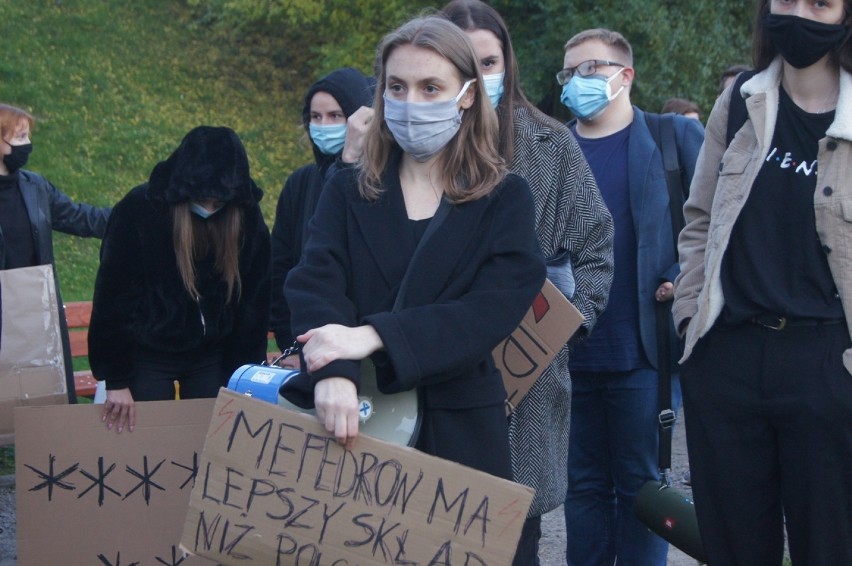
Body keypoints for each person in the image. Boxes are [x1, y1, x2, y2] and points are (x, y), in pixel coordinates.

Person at [284, 15, 545, 484]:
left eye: (430, 88)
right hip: (354, 419)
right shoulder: (347, 190)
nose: (410, 103)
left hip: (460, 430)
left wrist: (373, 336)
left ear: (466, 95)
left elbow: (489, 312)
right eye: (398, 88)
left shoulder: (505, 199)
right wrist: (334, 372)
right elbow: (316, 280)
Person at [673, 0, 852, 563]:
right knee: (733, 549)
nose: (798, 13)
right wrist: (688, 317)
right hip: (727, 358)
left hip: (826, 363)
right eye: (786, 0)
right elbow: (699, 216)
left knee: (829, 547)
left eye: (819, 3)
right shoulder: (742, 99)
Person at [440, 2, 615, 563]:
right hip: (428, 376)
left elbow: (595, 245)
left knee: (515, 543)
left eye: (487, 61)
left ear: (506, 64)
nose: (477, 75)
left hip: (521, 385)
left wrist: (563, 324)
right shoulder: (409, 147)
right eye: (464, 60)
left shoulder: (552, 146)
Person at [558, 29, 705, 566]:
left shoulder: (671, 138)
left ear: (626, 76)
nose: (577, 82)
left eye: (590, 69)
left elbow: (714, 220)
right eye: (569, 72)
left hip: (645, 352)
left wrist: (679, 271)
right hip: (566, 352)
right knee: (583, 490)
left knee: (642, 489)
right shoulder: (553, 147)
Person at [90, 126, 270, 433]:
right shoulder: (140, 210)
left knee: (210, 442)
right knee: (145, 443)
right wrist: (116, 379)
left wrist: (244, 373)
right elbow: (113, 297)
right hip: (148, 353)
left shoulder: (244, 218)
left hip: (212, 354)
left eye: (219, 203)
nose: (210, 210)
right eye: (203, 200)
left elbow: (252, 302)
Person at [0, 103, 110, 403]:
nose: (27, 145)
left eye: (26, 136)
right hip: (3, 314)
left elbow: (80, 217)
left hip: (36, 311)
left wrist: (133, 214)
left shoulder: (35, 186)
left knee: (49, 401)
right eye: (19, 137)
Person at [270, 67, 373, 357]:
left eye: (335, 116)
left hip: (365, 341)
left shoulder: (381, 182)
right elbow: (281, 266)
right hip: (308, 340)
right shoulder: (300, 183)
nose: (323, 125)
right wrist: (287, 343)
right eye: (316, 117)